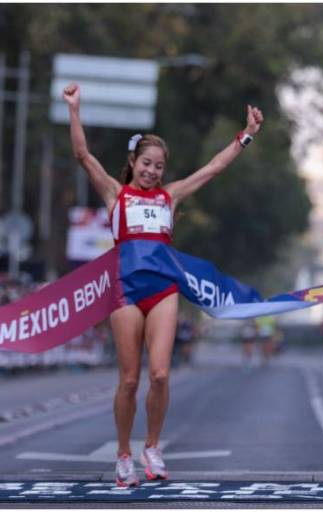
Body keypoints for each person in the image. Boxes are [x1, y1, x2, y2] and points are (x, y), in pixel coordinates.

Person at [63, 82, 263, 487]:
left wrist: (246, 136)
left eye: (158, 166)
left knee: (159, 375)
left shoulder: (170, 197)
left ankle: (152, 448)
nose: (152, 171)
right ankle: (123, 455)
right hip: (126, 293)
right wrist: (74, 109)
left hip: (163, 292)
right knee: (130, 379)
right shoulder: (115, 194)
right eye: (147, 163)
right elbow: (82, 155)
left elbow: (213, 168)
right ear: (134, 162)